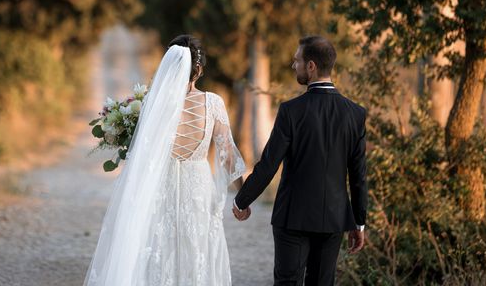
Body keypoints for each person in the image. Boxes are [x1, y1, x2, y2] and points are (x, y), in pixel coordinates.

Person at [83, 34, 246, 286]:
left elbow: (143, 153)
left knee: (158, 251)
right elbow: (227, 155)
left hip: (161, 187)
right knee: (197, 250)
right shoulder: (213, 103)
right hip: (198, 190)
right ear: (199, 69)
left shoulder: (153, 103)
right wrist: (243, 196)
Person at [233, 35, 367, 286]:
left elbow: (269, 163)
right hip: (333, 219)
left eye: (297, 61)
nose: (293, 66)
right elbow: (358, 175)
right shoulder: (355, 114)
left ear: (311, 66)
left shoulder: (291, 111)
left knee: (287, 282)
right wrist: (358, 222)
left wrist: (242, 200)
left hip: (292, 217)